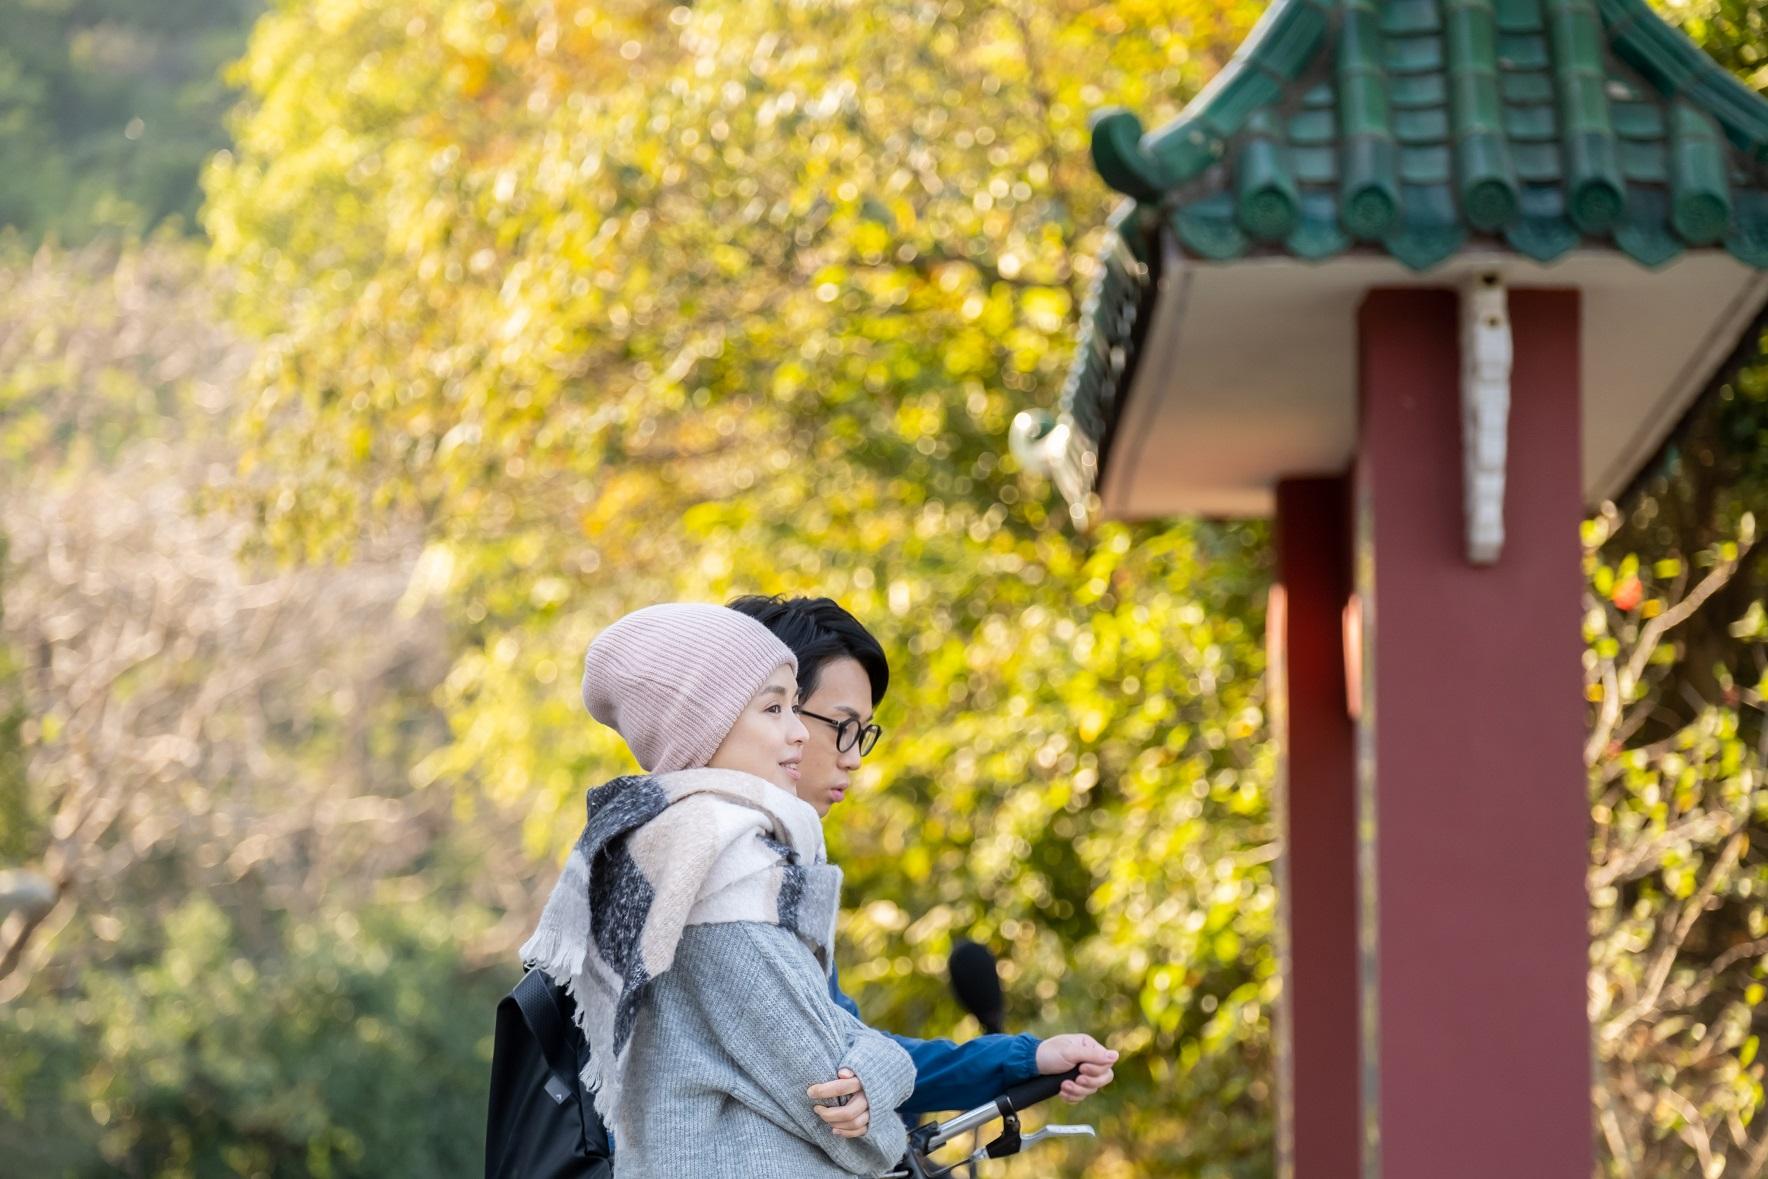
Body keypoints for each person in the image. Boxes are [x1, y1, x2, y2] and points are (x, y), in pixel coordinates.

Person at [521, 603, 915, 1177]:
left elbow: (821, 1038)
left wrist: (876, 1066)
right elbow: (855, 1127)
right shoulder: (716, 872)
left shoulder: (696, 855)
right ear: (703, 722)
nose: (799, 731)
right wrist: (891, 1066)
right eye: (774, 707)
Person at [727, 594, 1118, 1134]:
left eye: (862, 733)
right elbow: (826, 1070)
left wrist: (1026, 1060)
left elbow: (846, 1047)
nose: (854, 757)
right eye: (841, 727)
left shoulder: (782, 866)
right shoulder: (713, 872)